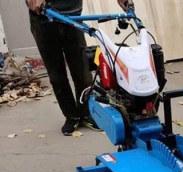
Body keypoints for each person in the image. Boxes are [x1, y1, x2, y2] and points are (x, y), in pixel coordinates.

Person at [27, 0, 131, 135]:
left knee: (82, 71)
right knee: (56, 75)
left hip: (72, 15)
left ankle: (86, 114)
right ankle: (72, 117)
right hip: (43, 16)